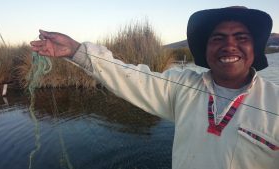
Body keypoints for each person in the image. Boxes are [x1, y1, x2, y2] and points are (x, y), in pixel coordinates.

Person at [31, 6, 279, 169]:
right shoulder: (182, 87)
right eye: (218, 38)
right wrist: (76, 50)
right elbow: (130, 77)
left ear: (254, 48)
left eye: (241, 38)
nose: (229, 46)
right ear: (206, 48)